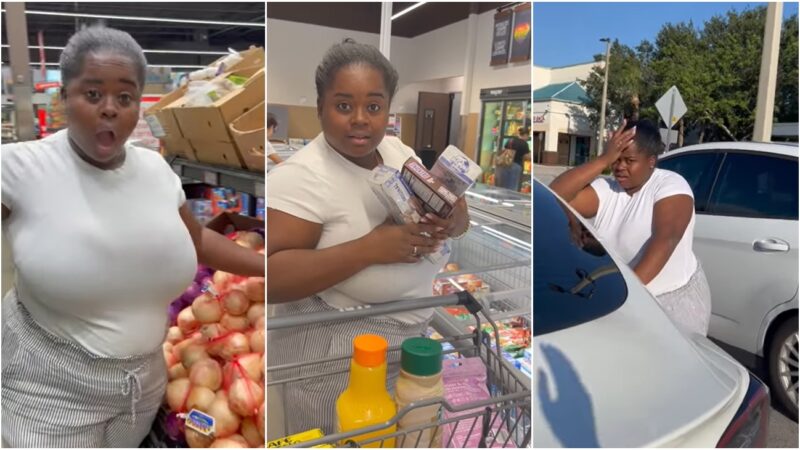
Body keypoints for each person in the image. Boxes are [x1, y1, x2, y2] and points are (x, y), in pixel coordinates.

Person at [0, 26, 264, 448]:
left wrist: (269, 267)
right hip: (47, 391)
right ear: (64, 97)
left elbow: (196, 240)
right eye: (92, 94)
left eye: (125, 98)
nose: (110, 109)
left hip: (141, 390)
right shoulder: (19, 168)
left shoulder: (156, 171)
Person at [266, 39, 471, 435]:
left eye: (373, 106)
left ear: (388, 110)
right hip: (336, 360)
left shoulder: (397, 151)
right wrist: (369, 249)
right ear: (320, 109)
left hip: (411, 348)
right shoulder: (301, 177)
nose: (360, 119)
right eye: (344, 106)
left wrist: (454, 217)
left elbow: (459, 222)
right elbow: (270, 278)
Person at [549, 119, 711, 336]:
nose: (620, 167)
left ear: (651, 161)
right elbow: (554, 195)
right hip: (627, 298)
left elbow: (666, 239)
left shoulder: (670, 184)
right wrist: (603, 159)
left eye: (630, 160)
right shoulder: (607, 189)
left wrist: (627, 295)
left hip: (672, 300)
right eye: (617, 159)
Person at [495, 127, 531, 191]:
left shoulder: (510, 140)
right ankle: (509, 200)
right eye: (528, 136)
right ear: (525, 135)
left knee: (502, 185)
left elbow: (504, 150)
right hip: (515, 166)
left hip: (504, 164)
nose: (528, 138)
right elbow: (527, 157)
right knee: (512, 187)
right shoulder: (524, 143)